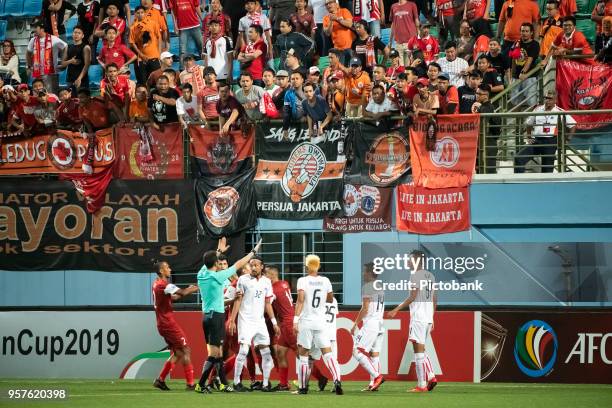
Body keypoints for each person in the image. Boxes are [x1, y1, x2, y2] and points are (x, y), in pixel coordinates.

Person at [195, 238, 263, 393]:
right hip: (216, 317)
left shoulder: (202, 273)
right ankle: (201, 384)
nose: (221, 264)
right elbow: (239, 264)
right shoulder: (217, 276)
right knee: (214, 354)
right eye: (219, 262)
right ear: (216, 264)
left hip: (207, 316)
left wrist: (218, 252)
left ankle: (223, 383)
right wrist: (253, 252)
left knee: (218, 353)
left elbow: (210, 262)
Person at [293, 254, 343, 395]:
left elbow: (301, 300)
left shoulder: (302, 281)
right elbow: (330, 298)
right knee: (328, 354)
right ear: (319, 266)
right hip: (321, 322)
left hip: (306, 322)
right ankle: (337, 380)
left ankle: (303, 387)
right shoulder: (325, 281)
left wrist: (295, 320)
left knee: (303, 355)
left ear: (307, 266)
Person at [227, 257, 280, 392]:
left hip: (260, 322)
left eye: (256, 265)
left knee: (266, 352)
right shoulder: (243, 280)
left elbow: (268, 303)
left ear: (262, 267)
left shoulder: (267, 282)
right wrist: (232, 320)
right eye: (251, 265)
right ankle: (236, 382)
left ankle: (266, 383)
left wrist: (274, 322)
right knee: (244, 350)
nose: (254, 267)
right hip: (245, 320)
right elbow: (237, 300)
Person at [388, 250, 438, 393]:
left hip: (418, 318)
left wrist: (396, 309)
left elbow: (412, 296)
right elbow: (435, 299)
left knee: (418, 352)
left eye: (409, 260)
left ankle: (421, 385)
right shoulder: (431, 276)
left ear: (417, 260)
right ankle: (432, 377)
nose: (407, 262)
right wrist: (432, 317)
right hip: (428, 318)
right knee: (421, 349)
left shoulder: (415, 275)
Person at [151, 260, 200, 392]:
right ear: (161, 271)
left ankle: (160, 380)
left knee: (178, 352)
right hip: (167, 323)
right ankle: (190, 384)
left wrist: (190, 288)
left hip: (162, 323)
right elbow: (182, 293)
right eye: (167, 267)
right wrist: (196, 287)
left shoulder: (156, 284)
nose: (170, 269)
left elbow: (174, 298)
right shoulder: (163, 285)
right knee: (186, 350)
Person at [514, 89, 576, 174]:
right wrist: (529, 136)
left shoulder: (559, 111)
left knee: (547, 171)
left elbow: (573, 125)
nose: (547, 100)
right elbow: (528, 123)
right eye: (546, 98)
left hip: (550, 142)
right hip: (537, 141)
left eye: (550, 99)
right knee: (519, 158)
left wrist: (568, 139)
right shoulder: (537, 109)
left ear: (555, 100)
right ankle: (519, 182)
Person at [350, 263, 386, 392]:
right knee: (374, 355)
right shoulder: (379, 286)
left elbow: (365, 308)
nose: (363, 274)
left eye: (365, 271)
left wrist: (355, 324)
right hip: (380, 324)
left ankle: (377, 377)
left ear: (370, 273)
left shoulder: (367, 287)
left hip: (371, 323)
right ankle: (373, 384)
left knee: (356, 351)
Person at [26, 21, 67, 96]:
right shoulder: (33, 40)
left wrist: (63, 61)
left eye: (36, 27)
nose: (34, 29)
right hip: (37, 74)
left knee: (52, 96)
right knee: (38, 96)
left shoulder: (53, 39)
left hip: (51, 74)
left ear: (42, 29)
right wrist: (29, 66)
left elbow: (65, 46)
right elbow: (28, 52)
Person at [130, 5, 163, 86]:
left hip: (154, 56)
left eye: (142, 12)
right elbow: (132, 42)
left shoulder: (153, 23)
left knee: (158, 81)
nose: (140, 14)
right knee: (144, 83)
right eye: (138, 13)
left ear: (145, 13)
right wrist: (140, 54)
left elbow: (159, 38)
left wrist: (159, 53)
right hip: (142, 59)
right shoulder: (133, 27)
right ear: (135, 14)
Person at [471, 84, 500, 173]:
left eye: (479, 93)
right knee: (480, 170)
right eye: (476, 93)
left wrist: (477, 109)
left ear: (486, 96)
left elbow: (481, 122)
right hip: (484, 142)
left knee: (488, 172)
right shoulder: (483, 106)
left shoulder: (487, 107)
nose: (476, 95)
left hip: (488, 144)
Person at [509, 23, 540, 109]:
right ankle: (516, 121)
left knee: (531, 101)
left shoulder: (535, 44)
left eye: (527, 31)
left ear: (531, 33)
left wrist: (523, 72)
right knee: (514, 101)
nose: (524, 33)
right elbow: (513, 60)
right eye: (522, 31)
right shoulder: (517, 43)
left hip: (529, 76)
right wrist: (512, 76)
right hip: (516, 77)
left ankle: (532, 121)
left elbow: (530, 60)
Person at [168, 0, 203, 66]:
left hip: (195, 24)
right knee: (182, 51)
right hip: (182, 27)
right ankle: (182, 70)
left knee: (201, 47)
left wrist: (202, 19)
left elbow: (197, 6)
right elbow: (173, 11)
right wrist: (175, 26)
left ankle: (205, 67)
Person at [203, 19, 234, 84]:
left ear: (220, 27)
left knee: (224, 93)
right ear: (209, 28)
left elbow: (230, 58)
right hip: (211, 76)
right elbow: (206, 60)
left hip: (224, 74)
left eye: (216, 25)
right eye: (211, 26)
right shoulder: (207, 41)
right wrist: (205, 74)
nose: (213, 27)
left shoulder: (226, 39)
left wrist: (230, 73)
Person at [323, 0, 355, 65]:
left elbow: (349, 24)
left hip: (350, 47)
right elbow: (327, 33)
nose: (328, 5)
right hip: (337, 50)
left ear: (336, 4)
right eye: (326, 4)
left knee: (351, 69)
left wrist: (337, 19)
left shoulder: (344, 11)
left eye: (330, 3)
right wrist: (331, 21)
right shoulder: (326, 18)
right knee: (340, 71)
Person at [60, 26, 91, 91]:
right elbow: (62, 63)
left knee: (82, 99)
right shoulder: (68, 47)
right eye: (75, 32)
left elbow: (87, 64)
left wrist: (79, 78)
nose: (76, 34)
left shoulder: (86, 47)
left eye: (79, 33)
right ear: (72, 34)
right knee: (70, 100)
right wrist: (70, 61)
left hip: (82, 80)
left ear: (82, 36)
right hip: (70, 79)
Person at [389, 0, 420, 66]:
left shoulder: (412, 5)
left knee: (409, 68)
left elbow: (417, 22)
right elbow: (393, 24)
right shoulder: (393, 6)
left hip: (410, 42)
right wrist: (390, 42)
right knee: (400, 68)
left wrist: (419, 39)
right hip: (398, 43)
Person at [282, 71, 307, 137]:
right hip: (294, 124)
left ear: (302, 80)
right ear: (290, 81)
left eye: (297, 78)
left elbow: (314, 107)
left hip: (308, 124)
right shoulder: (288, 93)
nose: (295, 80)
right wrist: (285, 128)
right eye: (293, 79)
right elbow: (286, 111)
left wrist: (306, 116)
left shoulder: (308, 90)